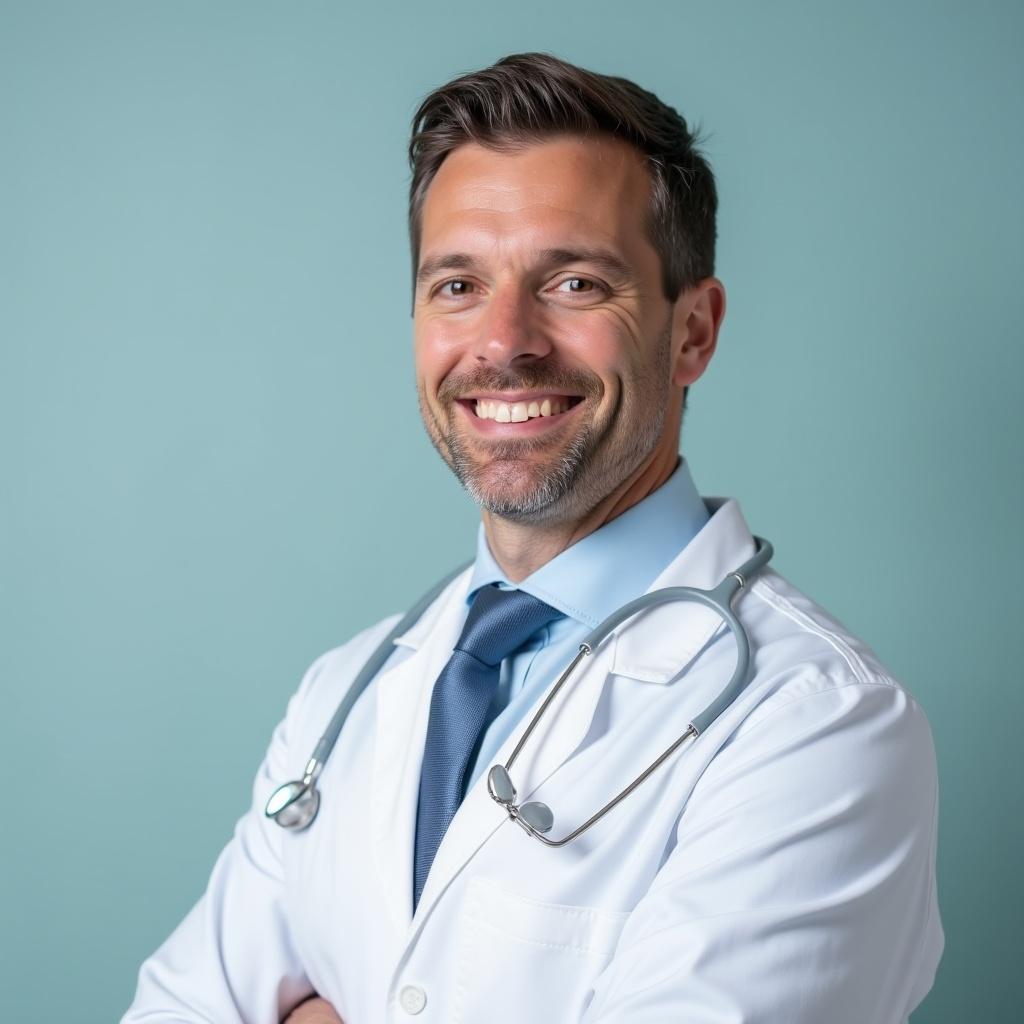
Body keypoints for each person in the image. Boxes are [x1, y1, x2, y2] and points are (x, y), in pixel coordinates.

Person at [123, 52, 943, 1024]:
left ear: (692, 332)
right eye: (458, 284)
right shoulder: (347, 690)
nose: (504, 341)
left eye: (576, 283)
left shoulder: (814, 724)